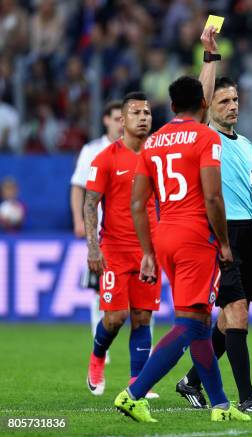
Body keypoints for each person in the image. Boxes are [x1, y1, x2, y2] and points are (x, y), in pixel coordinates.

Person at [116, 75, 250, 423]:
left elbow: (136, 204)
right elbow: (212, 195)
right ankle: (133, 393)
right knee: (190, 325)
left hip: (164, 237)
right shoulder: (206, 137)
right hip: (195, 239)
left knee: (201, 324)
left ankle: (220, 406)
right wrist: (223, 242)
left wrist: (147, 251)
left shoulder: (153, 142)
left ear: (172, 106)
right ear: (204, 105)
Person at [176, 69, 252, 413]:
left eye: (235, 100)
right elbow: (200, 93)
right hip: (218, 232)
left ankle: (191, 381)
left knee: (228, 321)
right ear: (207, 106)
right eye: (224, 100)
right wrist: (209, 55)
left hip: (246, 233)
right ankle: (247, 398)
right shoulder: (203, 137)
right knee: (238, 314)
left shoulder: (245, 145)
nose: (232, 106)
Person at [84, 92, 161, 398]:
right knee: (116, 317)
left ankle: (137, 383)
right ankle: (97, 357)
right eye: (136, 113)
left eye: (147, 112)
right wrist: (93, 247)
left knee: (143, 316)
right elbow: (91, 204)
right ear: (122, 120)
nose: (143, 117)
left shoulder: (156, 156)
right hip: (114, 249)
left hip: (149, 251)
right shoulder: (105, 159)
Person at [70, 100, 123, 364]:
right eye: (115, 118)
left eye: (122, 118)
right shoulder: (92, 150)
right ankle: (100, 347)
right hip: (99, 233)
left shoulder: (135, 149)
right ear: (106, 120)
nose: (119, 122)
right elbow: (78, 187)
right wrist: (79, 220)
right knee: (97, 290)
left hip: (127, 234)